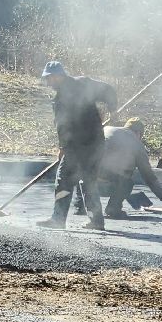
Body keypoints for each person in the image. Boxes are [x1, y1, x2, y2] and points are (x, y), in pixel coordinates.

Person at [37, 60, 117, 231]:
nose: (48, 83)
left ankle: (58, 219)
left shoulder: (62, 98)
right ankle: (96, 222)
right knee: (89, 182)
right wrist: (113, 109)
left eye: (49, 78)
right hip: (96, 144)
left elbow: (63, 127)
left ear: (58, 76)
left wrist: (63, 148)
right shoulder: (83, 84)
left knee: (63, 180)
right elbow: (109, 90)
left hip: (77, 147)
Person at [99, 117, 162, 218]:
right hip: (106, 184)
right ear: (138, 133)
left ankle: (83, 204)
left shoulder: (106, 129)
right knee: (127, 183)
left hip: (88, 181)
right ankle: (113, 209)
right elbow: (149, 177)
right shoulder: (137, 144)